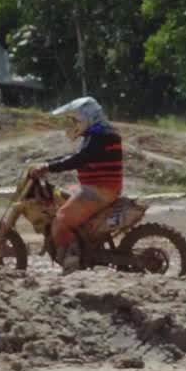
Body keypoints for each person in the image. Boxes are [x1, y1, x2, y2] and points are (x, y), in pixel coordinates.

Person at [29, 97, 123, 273]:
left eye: (75, 120)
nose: (72, 123)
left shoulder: (101, 136)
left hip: (99, 190)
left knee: (61, 219)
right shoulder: (98, 134)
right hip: (96, 188)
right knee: (59, 199)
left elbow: (78, 159)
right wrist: (46, 163)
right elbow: (75, 157)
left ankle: (73, 264)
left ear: (88, 117)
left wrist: (48, 167)